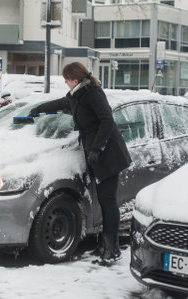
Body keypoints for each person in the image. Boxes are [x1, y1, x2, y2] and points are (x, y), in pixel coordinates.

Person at [29, 62, 132, 265]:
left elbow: (106, 120)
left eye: (66, 79)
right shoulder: (78, 94)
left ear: (75, 79)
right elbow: (63, 103)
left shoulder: (93, 93)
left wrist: (97, 148)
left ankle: (112, 250)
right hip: (96, 154)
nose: (65, 82)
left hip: (108, 155)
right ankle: (105, 245)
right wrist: (39, 109)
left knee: (108, 201)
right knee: (103, 201)